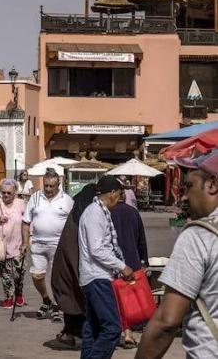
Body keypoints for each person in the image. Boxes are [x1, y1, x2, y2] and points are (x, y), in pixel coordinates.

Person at [136, 151, 218, 358]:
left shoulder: (200, 236)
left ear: (212, 185)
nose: (183, 196)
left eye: (189, 186)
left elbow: (166, 321)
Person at [78, 176, 133, 359]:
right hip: (97, 276)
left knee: (93, 328)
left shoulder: (101, 212)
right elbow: (97, 249)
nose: (120, 198)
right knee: (112, 328)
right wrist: (121, 266)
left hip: (97, 276)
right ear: (111, 193)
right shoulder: (94, 213)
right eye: (119, 194)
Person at [21, 169, 73, 322]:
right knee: (37, 275)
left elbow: (74, 223)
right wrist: (24, 243)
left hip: (58, 244)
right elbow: (25, 222)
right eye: (46, 186)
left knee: (56, 278)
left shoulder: (67, 200)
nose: (48, 189)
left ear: (59, 184)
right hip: (37, 243)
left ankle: (57, 305)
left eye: (52, 186)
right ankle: (46, 300)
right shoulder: (35, 197)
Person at [50, 184, 98, 349]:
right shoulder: (88, 219)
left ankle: (70, 333)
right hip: (80, 269)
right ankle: (83, 335)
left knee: (72, 298)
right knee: (82, 300)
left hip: (67, 269)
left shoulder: (74, 216)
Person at [110, 191, 148, 349]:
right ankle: (128, 332)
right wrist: (144, 261)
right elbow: (141, 239)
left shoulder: (107, 213)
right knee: (128, 299)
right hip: (132, 260)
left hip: (113, 261)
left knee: (116, 299)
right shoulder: (133, 212)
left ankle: (124, 332)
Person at [0, 178, 26, 308]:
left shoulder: (21, 203)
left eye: (9, 193)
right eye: (4, 193)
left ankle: (19, 293)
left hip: (18, 243)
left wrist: (28, 240)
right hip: (1, 244)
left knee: (19, 271)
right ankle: (8, 296)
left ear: (15, 193)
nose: (6, 195)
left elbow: (28, 221)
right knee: (5, 273)